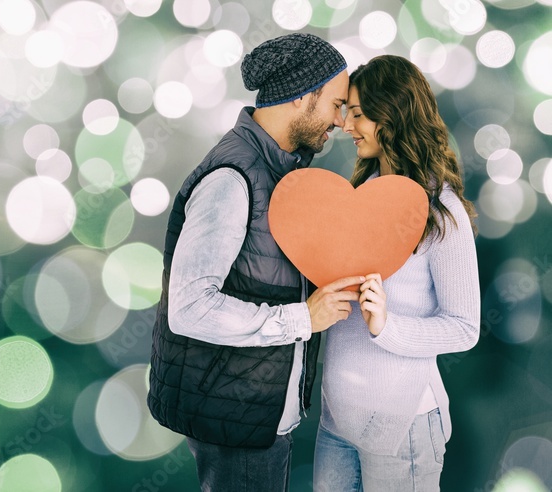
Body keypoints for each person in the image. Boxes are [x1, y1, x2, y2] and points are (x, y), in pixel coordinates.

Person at [147, 33, 363, 491]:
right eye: (337, 104)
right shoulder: (233, 178)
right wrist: (304, 317)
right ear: (303, 96)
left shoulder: (280, 171)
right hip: (237, 422)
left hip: (256, 416)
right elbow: (191, 308)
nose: (343, 122)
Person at [313, 55, 481, 491]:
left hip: (401, 428)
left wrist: (387, 327)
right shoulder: (360, 196)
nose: (346, 127)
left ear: (393, 113)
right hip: (335, 421)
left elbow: (464, 328)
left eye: (358, 114)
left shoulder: (441, 212)